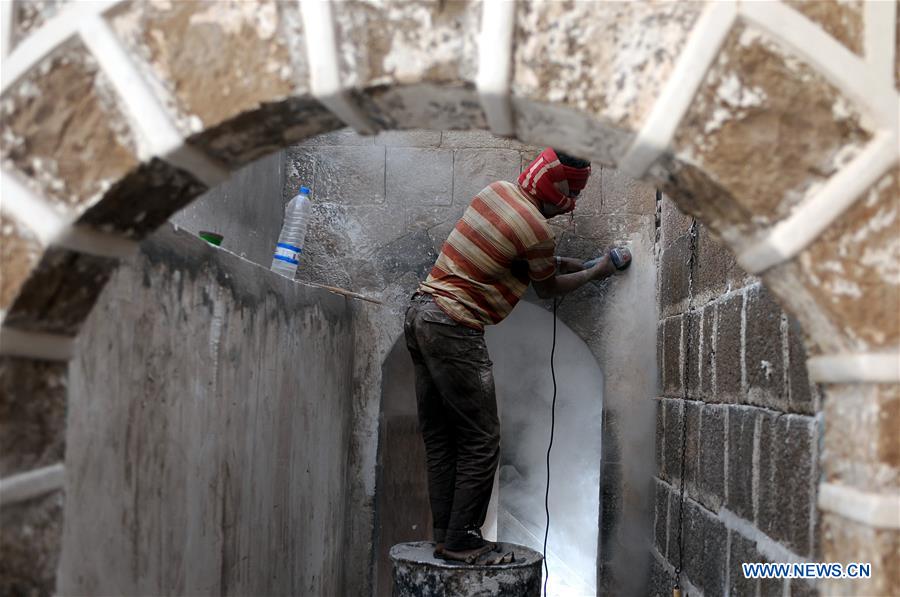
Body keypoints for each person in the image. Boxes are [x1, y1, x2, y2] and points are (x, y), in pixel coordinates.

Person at [404, 147, 631, 564]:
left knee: (441, 437)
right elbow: (546, 287)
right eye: (570, 198)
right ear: (556, 191)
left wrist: (567, 261)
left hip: (421, 314)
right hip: (454, 326)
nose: (571, 208)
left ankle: (446, 535)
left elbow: (517, 259)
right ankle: (464, 542)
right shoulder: (536, 229)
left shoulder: (497, 192)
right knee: (481, 439)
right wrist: (597, 272)